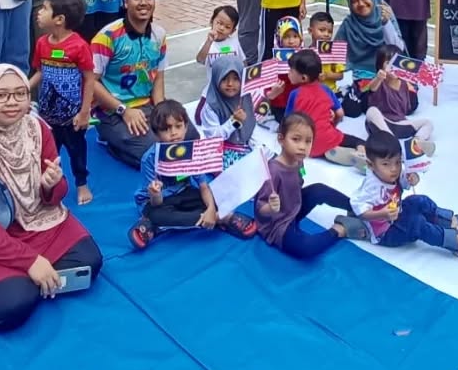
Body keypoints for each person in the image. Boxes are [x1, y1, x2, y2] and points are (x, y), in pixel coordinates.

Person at [0, 65, 103, 333]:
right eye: (0, 95)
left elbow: (57, 195)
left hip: (39, 222)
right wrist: (30, 261)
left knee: (90, 262)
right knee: (9, 307)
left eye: (20, 93)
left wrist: (51, 185)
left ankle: (29, 278)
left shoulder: (36, 128)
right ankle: (5, 282)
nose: (12, 102)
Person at [127, 101, 257, 249]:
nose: (173, 133)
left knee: (216, 197)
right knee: (155, 214)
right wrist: (155, 194)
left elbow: (203, 186)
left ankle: (157, 226)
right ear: (156, 134)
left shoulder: (191, 152)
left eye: (178, 126)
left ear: (186, 126)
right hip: (158, 202)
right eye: (166, 129)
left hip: (184, 192)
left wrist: (211, 208)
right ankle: (222, 218)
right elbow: (155, 202)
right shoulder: (150, 159)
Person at [352, 131, 458, 262]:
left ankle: (449, 222)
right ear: (370, 165)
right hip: (386, 232)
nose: (394, 169)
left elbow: (405, 183)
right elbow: (360, 211)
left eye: (397, 162)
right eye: (385, 164)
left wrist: (413, 178)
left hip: (398, 213)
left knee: (420, 200)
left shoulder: (391, 173)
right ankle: (456, 242)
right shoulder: (371, 187)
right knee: (416, 223)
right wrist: (382, 214)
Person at [254, 113, 368, 257]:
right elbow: (260, 209)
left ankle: (358, 209)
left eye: (308, 141)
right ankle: (339, 230)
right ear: (281, 139)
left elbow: (299, 183)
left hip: (293, 207)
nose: (302, 147)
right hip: (277, 225)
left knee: (319, 190)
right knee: (307, 249)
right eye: (296, 139)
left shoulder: (298, 160)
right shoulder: (273, 171)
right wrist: (270, 207)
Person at [90, 0, 171, 168]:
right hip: (112, 112)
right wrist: (124, 111)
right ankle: (110, 142)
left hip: (147, 106)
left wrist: (162, 110)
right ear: (125, 2)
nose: (144, 3)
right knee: (154, 155)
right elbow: (90, 82)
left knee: (187, 137)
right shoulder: (107, 37)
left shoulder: (159, 35)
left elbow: (158, 77)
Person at [28, 0, 94, 205]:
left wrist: (84, 112)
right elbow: (40, 72)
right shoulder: (42, 43)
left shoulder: (79, 46)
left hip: (72, 117)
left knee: (77, 151)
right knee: (48, 153)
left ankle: (81, 183)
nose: (39, 12)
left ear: (59, 19)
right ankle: (51, 185)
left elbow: (89, 79)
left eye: (44, 8)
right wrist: (23, 89)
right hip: (47, 116)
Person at [285, 48, 365, 166]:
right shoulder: (325, 89)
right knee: (359, 141)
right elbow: (340, 113)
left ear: (304, 78)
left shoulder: (294, 94)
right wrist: (333, 125)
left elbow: (287, 122)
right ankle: (360, 152)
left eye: (291, 71)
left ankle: (327, 152)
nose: (288, 73)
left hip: (306, 145)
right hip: (328, 137)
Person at [365, 46, 436, 148]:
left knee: (428, 123)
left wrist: (411, 86)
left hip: (400, 124)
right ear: (380, 66)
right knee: (371, 111)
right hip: (380, 123)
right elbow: (372, 88)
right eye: (388, 63)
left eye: (396, 63)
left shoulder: (405, 84)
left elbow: (408, 108)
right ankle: (393, 143)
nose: (392, 67)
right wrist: (378, 78)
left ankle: (416, 143)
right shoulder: (379, 81)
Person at [335, 0, 397, 78]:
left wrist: (386, 24)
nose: (361, 4)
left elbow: (397, 48)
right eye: (354, 1)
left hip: (387, 74)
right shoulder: (348, 24)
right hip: (356, 76)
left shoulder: (385, 15)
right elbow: (337, 55)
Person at [196, 55, 255, 144]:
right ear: (216, 78)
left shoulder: (246, 95)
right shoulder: (212, 106)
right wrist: (234, 121)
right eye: (224, 78)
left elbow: (257, 116)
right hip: (224, 147)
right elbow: (213, 137)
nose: (230, 84)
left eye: (235, 79)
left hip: (250, 141)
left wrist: (269, 96)